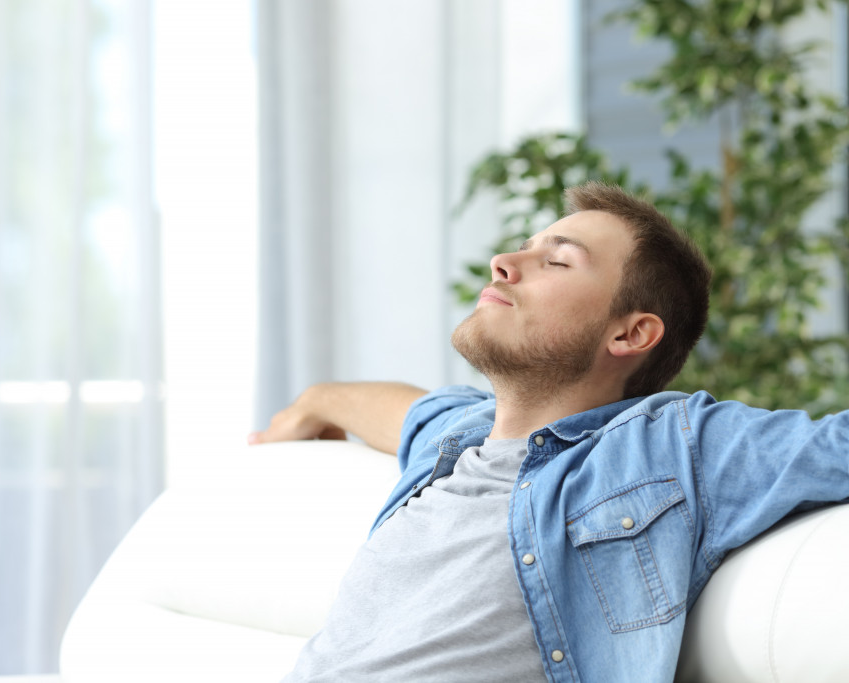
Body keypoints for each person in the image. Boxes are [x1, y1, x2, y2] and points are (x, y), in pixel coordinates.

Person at [247, 181, 849, 682]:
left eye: (557, 261)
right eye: (523, 248)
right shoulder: (458, 438)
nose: (503, 264)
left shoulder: (669, 445)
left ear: (631, 335)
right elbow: (403, 409)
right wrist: (314, 402)